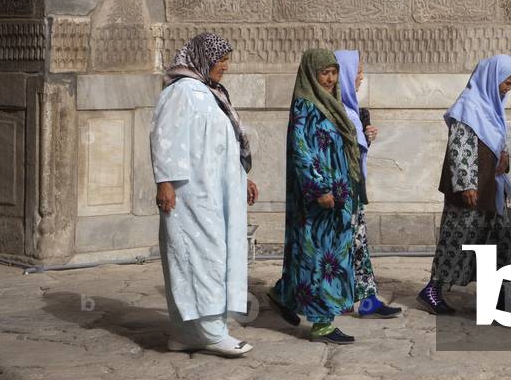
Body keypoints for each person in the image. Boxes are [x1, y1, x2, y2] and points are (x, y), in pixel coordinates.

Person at [152, 32, 258, 357]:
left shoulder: (210, 93)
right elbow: (164, 137)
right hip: (190, 195)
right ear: (203, 58)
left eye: (227, 60)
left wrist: (243, 178)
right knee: (200, 258)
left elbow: (225, 144)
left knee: (211, 255)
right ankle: (212, 333)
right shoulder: (182, 91)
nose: (225, 66)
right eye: (220, 60)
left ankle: (185, 333)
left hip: (215, 191)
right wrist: (165, 183)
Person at [417, 54, 511, 315]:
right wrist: (466, 184)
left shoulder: (492, 107)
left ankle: (498, 297)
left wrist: (505, 154)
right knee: (459, 238)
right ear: (492, 78)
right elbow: (459, 149)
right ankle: (432, 290)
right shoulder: (468, 107)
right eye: (505, 84)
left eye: (510, 85)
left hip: (491, 187)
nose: (506, 90)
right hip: (472, 190)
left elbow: (497, 136)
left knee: (495, 242)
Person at [269, 49, 363, 344]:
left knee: (311, 253)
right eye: (324, 73)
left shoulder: (330, 103)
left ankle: (283, 293)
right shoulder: (306, 106)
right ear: (311, 73)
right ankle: (322, 324)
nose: (330, 78)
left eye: (334, 73)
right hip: (320, 197)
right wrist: (320, 188)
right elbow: (303, 151)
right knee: (323, 258)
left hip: (337, 194)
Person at [334, 49, 402, 318]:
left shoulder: (348, 108)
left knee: (354, 242)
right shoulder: (336, 109)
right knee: (353, 242)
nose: (361, 78)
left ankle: (357, 298)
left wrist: (366, 138)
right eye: (357, 72)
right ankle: (362, 299)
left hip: (350, 185)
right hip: (342, 187)